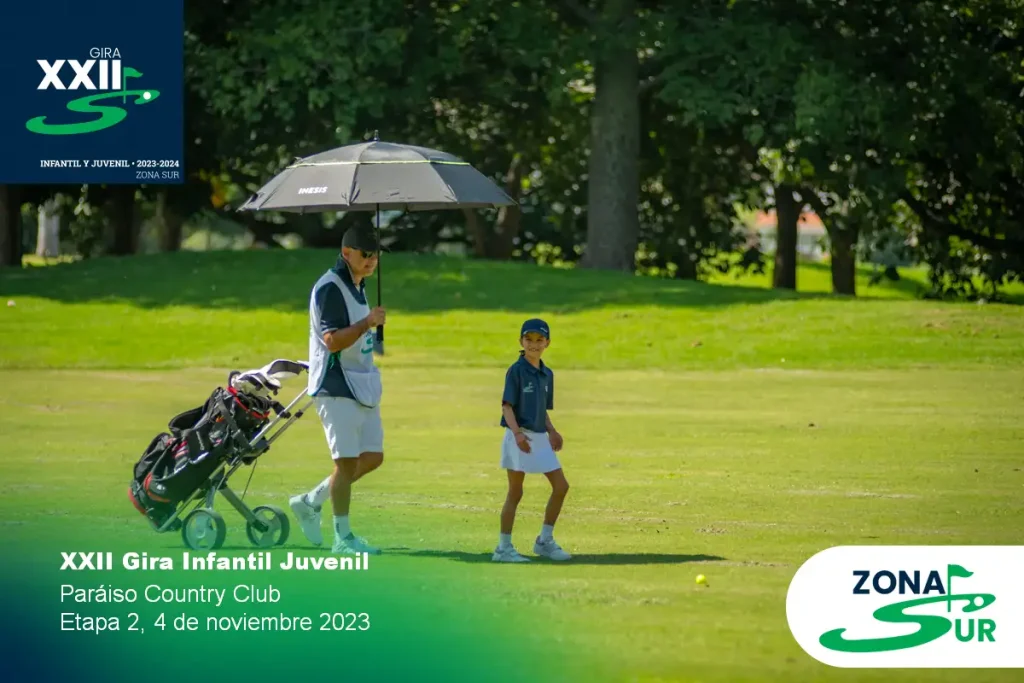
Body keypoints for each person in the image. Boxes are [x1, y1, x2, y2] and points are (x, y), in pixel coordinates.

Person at [289, 225, 386, 556]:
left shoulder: (358, 285)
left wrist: (370, 326)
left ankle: (309, 502)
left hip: (361, 382)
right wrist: (367, 323)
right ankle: (342, 538)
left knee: (372, 457)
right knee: (346, 464)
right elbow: (332, 342)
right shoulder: (330, 287)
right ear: (346, 253)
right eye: (366, 254)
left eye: (376, 255)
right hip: (335, 383)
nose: (372, 260)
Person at [493, 318, 572, 563]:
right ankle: (503, 548)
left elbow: (541, 409)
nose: (534, 344)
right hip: (520, 436)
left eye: (539, 340)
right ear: (521, 341)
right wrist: (517, 434)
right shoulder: (516, 370)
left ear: (547, 343)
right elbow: (507, 407)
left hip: (539, 437)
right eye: (529, 339)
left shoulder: (547, 374)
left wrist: (552, 431)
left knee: (561, 486)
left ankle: (544, 541)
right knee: (516, 492)